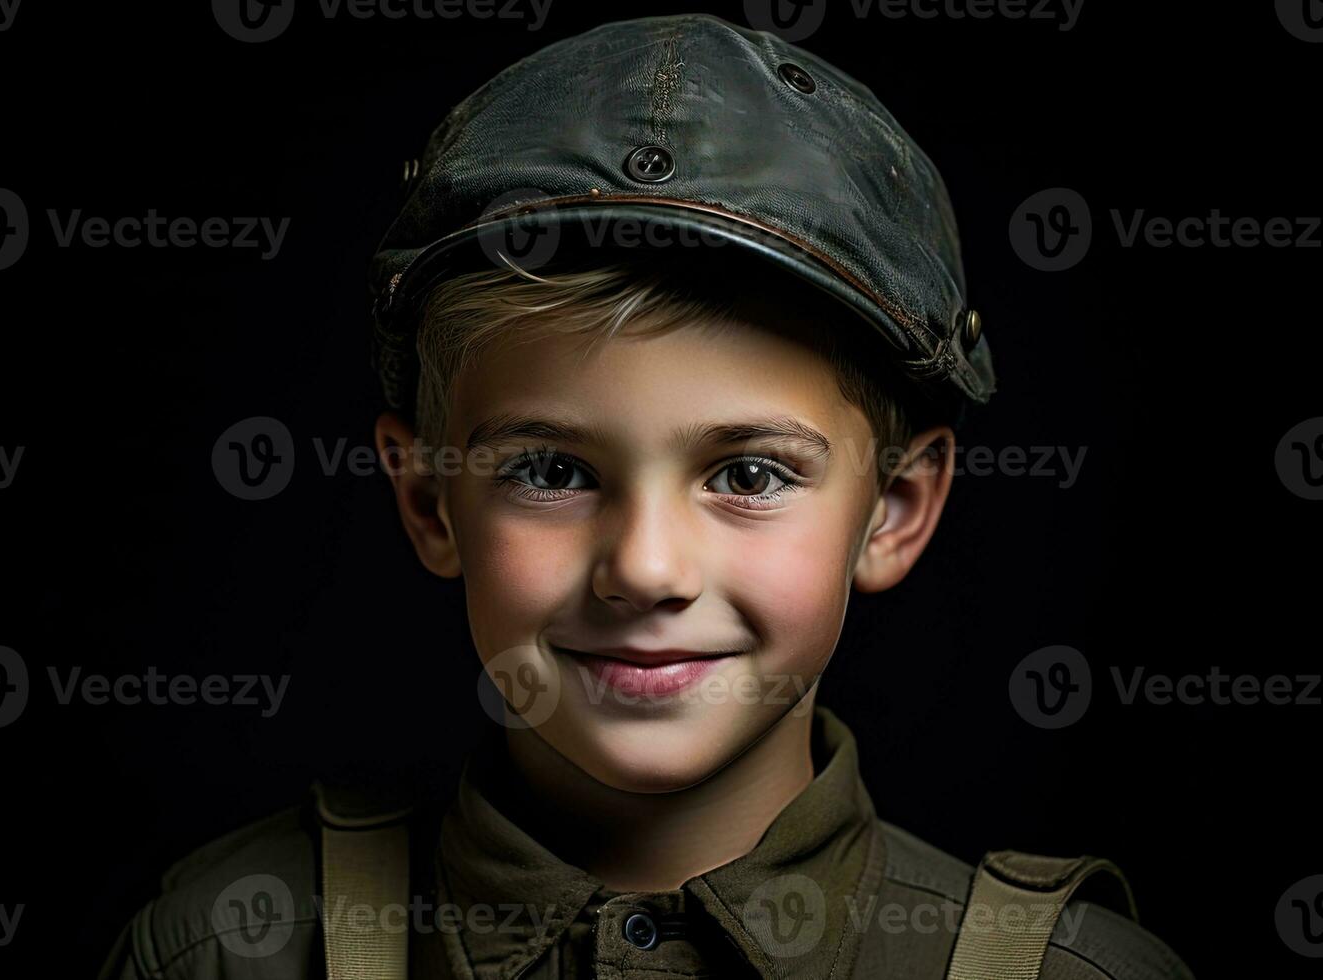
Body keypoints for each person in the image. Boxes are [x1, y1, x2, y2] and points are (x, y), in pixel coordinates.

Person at [98, 13, 1194, 979]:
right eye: (553, 470)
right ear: (431, 500)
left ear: (896, 508)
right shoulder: (236, 947)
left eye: (749, 474)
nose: (648, 569)